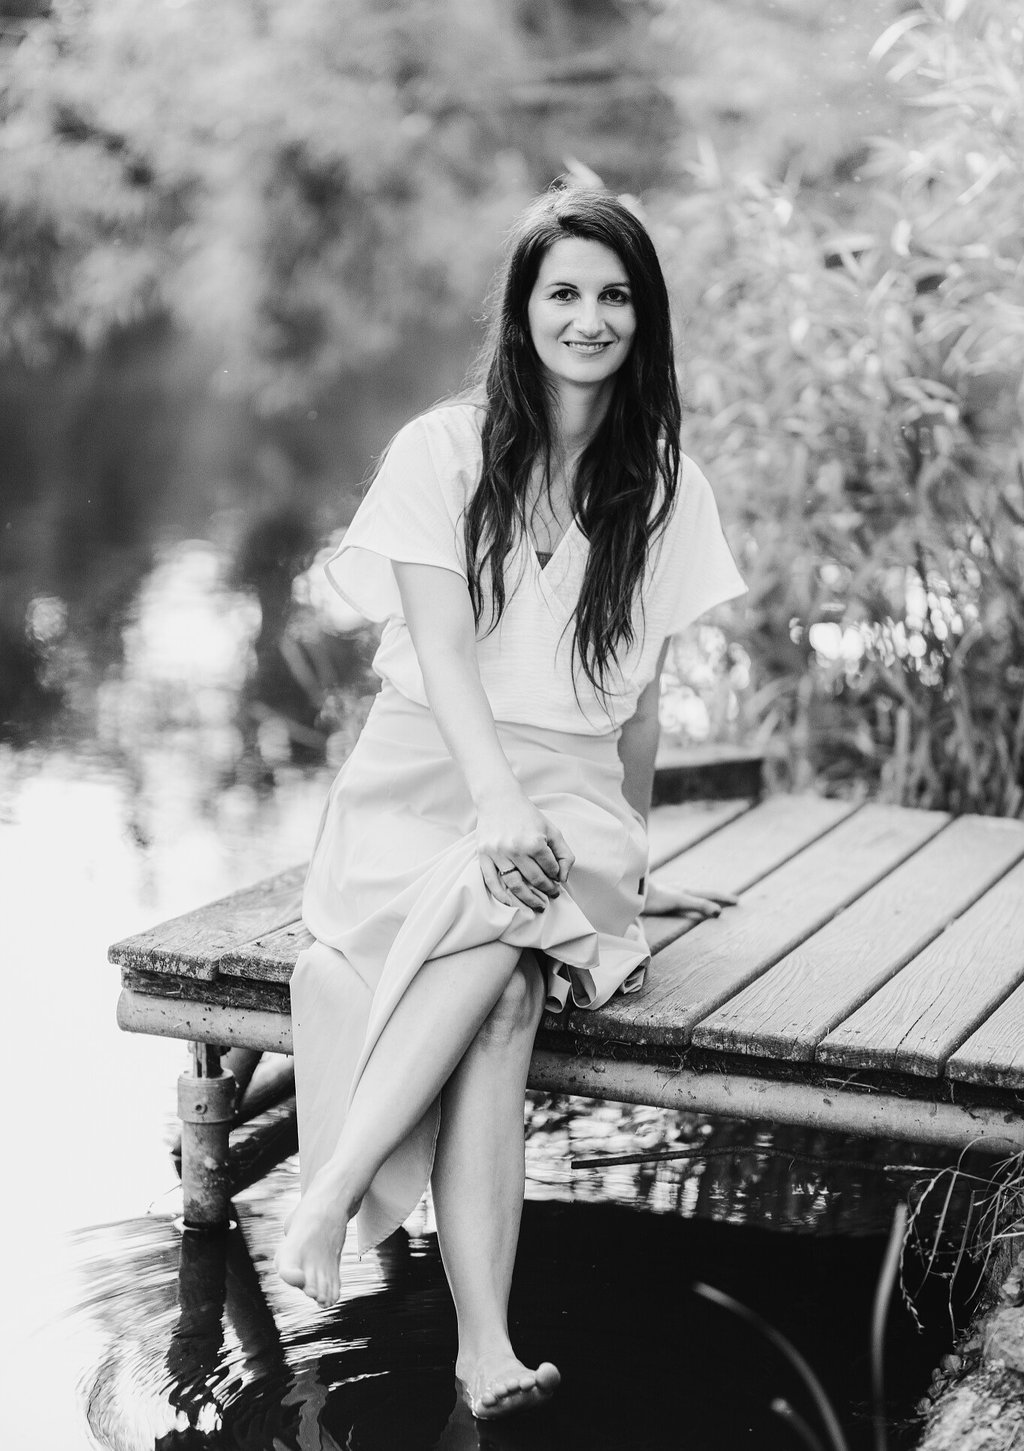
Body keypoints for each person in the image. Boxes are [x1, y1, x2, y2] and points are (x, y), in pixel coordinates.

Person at [274, 183, 746, 1420]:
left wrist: (630, 869)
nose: (589, 318)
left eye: (614, 296)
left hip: (571, 801)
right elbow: (439, 652)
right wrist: (494, 804)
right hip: (421, 782)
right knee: (510, 980)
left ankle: (336, 1194)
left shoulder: (665, 488)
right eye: (563, 292)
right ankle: (477, 1341)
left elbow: (640, 708)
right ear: (522, 309)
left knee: (524, 894)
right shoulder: (440, 451)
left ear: (642, 318)